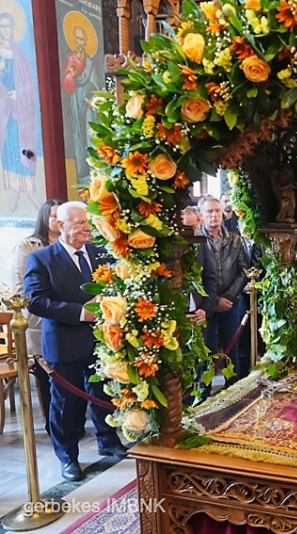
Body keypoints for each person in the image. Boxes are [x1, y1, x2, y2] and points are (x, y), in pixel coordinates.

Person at [24, 201, 127, 482]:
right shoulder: (42, 259)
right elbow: (36, 301)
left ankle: (108, 440)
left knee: (103, 393)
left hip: (101, 340)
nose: (86, 228)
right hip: (64, 342)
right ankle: (68, 457)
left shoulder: (100, 253)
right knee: (65, 404)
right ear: (61, 225)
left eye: (88, 222)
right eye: (79, 222)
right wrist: (82, 313)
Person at [12, 199, 63, 434]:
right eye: (54, 216)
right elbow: (21, 288)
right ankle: (53, 424)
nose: (59, 221)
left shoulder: (73, 244)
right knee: (48, 378)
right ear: (45, 218)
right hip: (40, 321)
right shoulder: (29, 246)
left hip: (71, 317)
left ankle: (72, 423)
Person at [198, 196, 249, 382]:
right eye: (209, 211)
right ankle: (204, 391)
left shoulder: (235, 240)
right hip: (205, 303)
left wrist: (229, 296)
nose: (214, 215)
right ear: (201, 216)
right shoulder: (196, 241)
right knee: (206, 348)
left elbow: (244, 270)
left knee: (231, 347)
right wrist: (213, 301)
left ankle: (232, 386)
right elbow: (195, 275)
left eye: (217, 210)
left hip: (231, 302)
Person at [0, 11, 39, 213]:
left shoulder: (20, 54)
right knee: (9, 151)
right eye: (2, 26)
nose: (6, 30)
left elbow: (29, 83)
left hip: (20, 112)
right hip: (3, 112)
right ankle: (15, 192)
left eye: (8, 26)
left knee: (25, 148)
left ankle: (31, 192)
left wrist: (19, 94)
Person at [62, 23, 98, 181]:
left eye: (82, 39)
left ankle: (92, 168)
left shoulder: (89, 61)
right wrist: (72, 76)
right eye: (77, 39)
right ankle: (82, 172)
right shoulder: (71, 59)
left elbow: (95, 83)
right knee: (78, 134)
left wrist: (93, 99)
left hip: (88, 103)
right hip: (76, 101)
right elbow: (67, 82)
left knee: (89, 132)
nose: (79, 42)